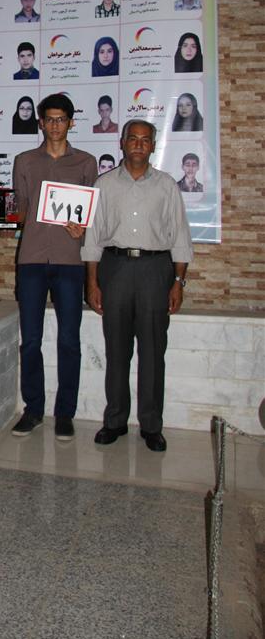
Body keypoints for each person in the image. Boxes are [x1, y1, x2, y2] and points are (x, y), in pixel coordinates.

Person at [83, 119, 193, 452]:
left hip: (155, 270)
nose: (139, 145)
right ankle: (115, 420)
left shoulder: (166, 186)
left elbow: (180, 236)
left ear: (153, 146)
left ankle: (151, 425)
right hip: (114, 268)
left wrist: (178, 282)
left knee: (153, 352)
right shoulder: (104, 184)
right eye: (133, 138)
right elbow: (93, 237)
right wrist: (92, 282)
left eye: (146, 140)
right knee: (117, 350)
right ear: (122, 142)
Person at [11, 93, 98, 439]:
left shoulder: (86, 163)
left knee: (69, 340)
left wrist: (82, 229)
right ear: (41, 123)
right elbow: (19, 209)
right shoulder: (25, 161)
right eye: (49, 119)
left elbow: (91, 215)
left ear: (71, 123)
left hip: (69, 261)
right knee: (30, 340)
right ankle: (33, 409)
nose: (55, 125)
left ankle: (65, 413)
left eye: (61, 119)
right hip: (31, 259)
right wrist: (4, 218)